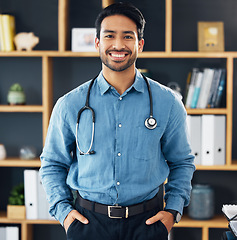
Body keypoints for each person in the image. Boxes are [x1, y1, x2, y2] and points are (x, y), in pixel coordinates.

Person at [40, 2, 195, 240]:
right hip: (87, 225)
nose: (118, 45)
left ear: (140, 44)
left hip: (148, 224)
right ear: (97, 43)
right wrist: (64, 213)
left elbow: (182, 162)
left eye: (128, 37)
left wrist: (172, 211)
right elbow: (52, 164)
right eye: (109, 36)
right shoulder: (70, 104)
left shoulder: (168, 103)